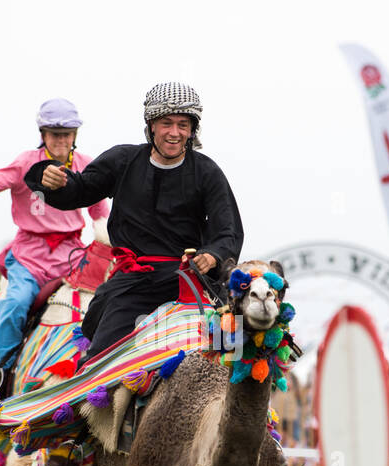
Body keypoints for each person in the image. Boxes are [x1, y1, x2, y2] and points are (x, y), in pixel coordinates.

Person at [26, 82, 243, 361]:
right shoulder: (123, 160)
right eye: (167, 123)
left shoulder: (207, 172)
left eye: (183, 124)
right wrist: (52, 181)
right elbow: (80, 189)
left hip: (192, 281)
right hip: (134, 283)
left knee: (236, 357)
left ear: (192, 129)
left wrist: (212, 255)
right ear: (151, 125)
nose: (175, 133)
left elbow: (228, 230)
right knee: (97, 365)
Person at [0, 99, 110, 394]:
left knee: (105, 299)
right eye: (55, 133)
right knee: (16, 302)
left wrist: (111, 239)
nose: (61, 139)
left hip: (72, 256)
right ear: (43, 134)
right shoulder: (26, 162)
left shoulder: (85, 166)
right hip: (29, 256)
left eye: (67, 133)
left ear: (75, 136)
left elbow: (100, 211)